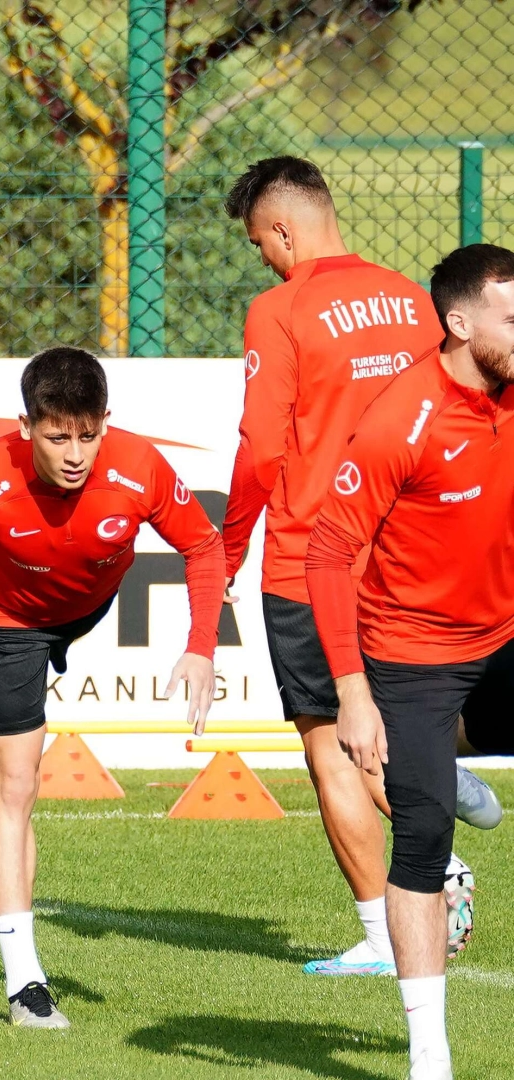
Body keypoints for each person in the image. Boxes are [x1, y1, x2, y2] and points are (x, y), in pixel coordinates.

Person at [221, 157, 496, 978]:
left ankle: (403, 915)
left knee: (329, 743)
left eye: (260, 244)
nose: (264, 260)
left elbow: (262, 446)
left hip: (313, 559)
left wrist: (226, 546)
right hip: (402, 558)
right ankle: (439, 781)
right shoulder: (418, 299)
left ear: (280, 229)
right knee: (395, 714)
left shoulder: (279, 308)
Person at [0, 347, 223, 1028]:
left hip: (85, 606)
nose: (75, 454)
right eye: (57, 436)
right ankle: (25, 984)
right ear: (25, 427)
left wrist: (200, 649)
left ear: (107, 422)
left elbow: (203, 545)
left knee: (7, 733)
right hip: (5, 619)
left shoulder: (138, 467)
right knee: (15, 785)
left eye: (88, 434)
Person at [307, 244, 514, 1080]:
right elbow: (328, 553)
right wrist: (353, 697)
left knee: (430, 780)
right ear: (460, 325)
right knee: (423, 836)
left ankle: (446, 754)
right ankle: (431, 1055)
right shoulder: (403, 417)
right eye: (512, 314)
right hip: (412, 657)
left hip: (502, 641)